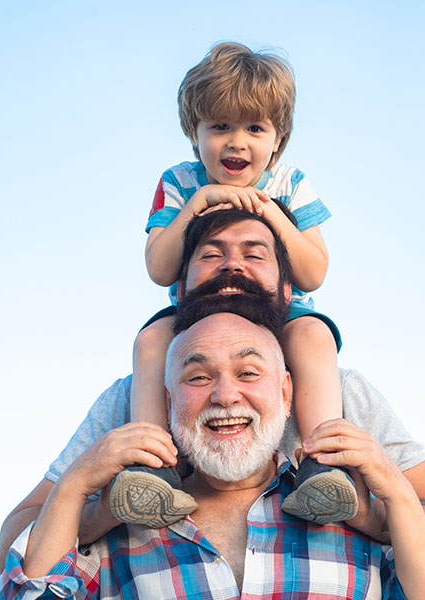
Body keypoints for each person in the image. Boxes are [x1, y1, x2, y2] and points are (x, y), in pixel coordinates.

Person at [0, 209, 425, 573]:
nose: (232, 267)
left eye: (255, 254)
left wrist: (367, 510)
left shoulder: (341, 393)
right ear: (180, 290)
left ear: (288, 291)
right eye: (211, 255)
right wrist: (101, 506)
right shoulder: (128, 402)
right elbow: (10, 551)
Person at [0, 312, 425, 599]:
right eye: (198, 378)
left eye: (248, 373)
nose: (225, 395)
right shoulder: (119, 534)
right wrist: (77, 482)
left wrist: (396, 491)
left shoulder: (350, 512)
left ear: (287, 392)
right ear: (167, 401)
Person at [121, 41, 352, 527]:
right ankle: (151, 468)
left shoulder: (289, 183)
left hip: (276, 311)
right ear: (195, 133)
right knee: (150, 341)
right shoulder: (179, 182)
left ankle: (323, 466)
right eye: (220, 126)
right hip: (199, 314)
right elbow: (160, 268)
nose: (236, 142)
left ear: (278, 139)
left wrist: (271, 213)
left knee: (314, 336)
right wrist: (197, 204)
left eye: (254, 128)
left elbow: (313, 272)